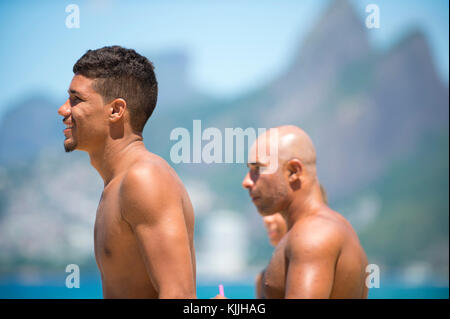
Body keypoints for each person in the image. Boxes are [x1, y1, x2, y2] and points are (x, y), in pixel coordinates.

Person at [57, 46, 196, 298]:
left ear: (115, 110)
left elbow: (179, 295)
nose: (63, 109)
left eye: (76, 99)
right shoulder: (117, 185)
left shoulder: (144, 178)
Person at [242, 125, 368, 299]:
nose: (246, 181)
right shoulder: (330, 227)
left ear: (293, 171)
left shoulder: (313, 234)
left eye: (258, 169)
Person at [255, 185, 328, 298]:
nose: (267, 219)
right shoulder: (263, 278)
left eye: (277, 210)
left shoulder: (320, 264)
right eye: (267, 211)